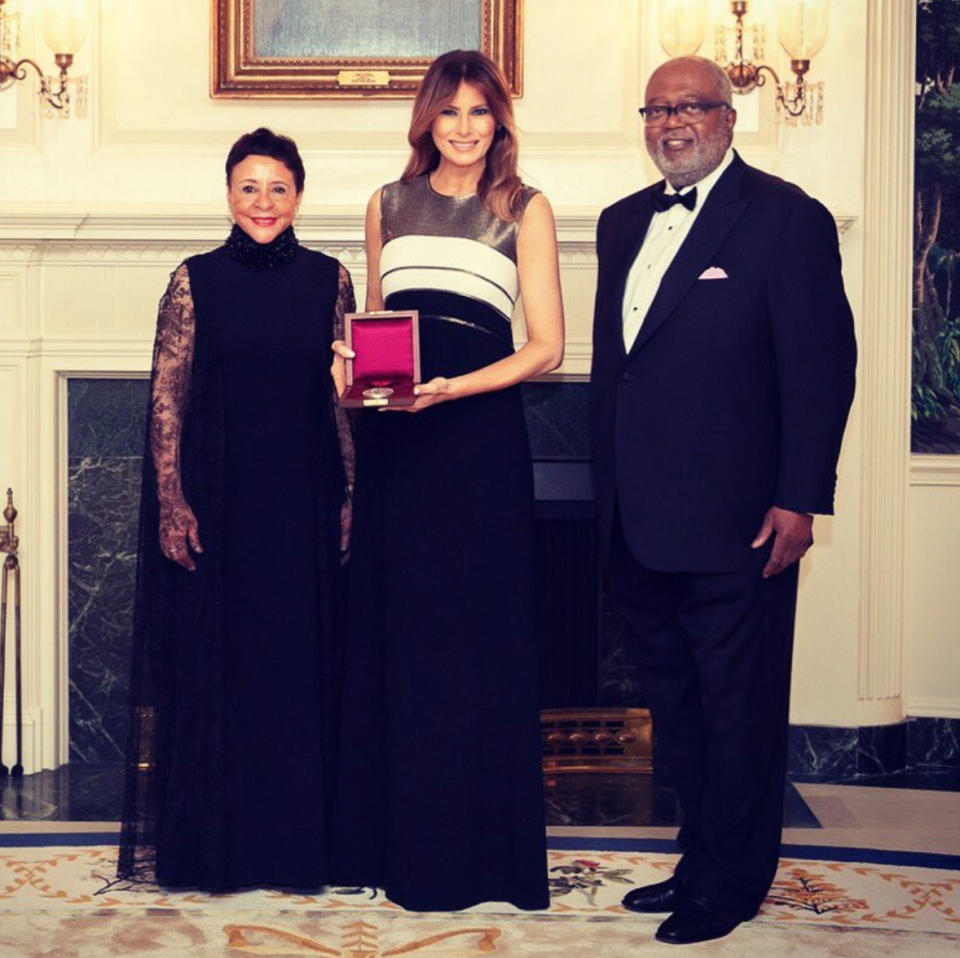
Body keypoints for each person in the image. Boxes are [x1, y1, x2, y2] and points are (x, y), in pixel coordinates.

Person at [590, 57, 856, 944]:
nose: (672, 123)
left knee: (738, 708)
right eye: (657, 108)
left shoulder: (787, 219)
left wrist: (799, 498)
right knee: (677, 708)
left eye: (691, 106)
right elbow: (618, 374)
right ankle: (697, 858)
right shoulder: (623, 222)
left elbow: (822, 371)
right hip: (636, 520)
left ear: (728, 116)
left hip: (742, 519)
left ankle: (733, 884)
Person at [330, 49, 564, 911]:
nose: (464, 128)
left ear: (499, 120)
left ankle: (473, 858)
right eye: (448, 112)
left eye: (480, 112)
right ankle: (393, 844)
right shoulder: (385, 205)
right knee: (400, 632)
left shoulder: (524, 209)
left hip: (475, 441)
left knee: (471, 638)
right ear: (426, 120)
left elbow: (547, 347)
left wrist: (453, 390)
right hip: (399, 442)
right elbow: (380, 326)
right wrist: (349, 366)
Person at [118, 128, 355, 891]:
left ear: (299, 197)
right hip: (219, 505)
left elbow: (343, 401)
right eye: (249, 187)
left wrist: (351, 494)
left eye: (278, 188)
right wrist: (171, 500)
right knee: (221, 675)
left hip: (304, 502)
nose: (263, 202)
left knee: (295, 675)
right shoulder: (194, 281)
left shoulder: (332, 280)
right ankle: (213, 853)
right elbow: (167, 398)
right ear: (228, 194)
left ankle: (294, 853)